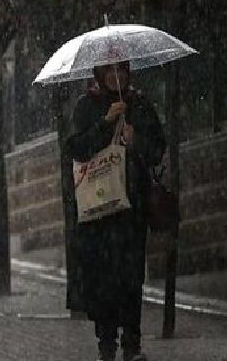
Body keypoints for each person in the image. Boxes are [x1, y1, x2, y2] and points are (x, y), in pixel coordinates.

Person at [66, 61, 165, 361]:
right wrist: (104, 123)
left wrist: (137, 141)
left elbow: (158, 149)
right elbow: (77, 149)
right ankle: (106, 344)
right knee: (104, 279)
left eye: (120, 69)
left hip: (131, 209)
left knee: (132, 277)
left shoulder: (139, 103)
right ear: (98, 73)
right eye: (108, 70)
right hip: (99, 210)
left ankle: (132, 345)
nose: (115, 75)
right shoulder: (87, 105)